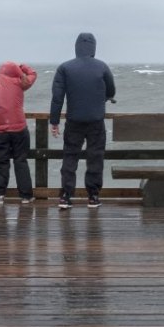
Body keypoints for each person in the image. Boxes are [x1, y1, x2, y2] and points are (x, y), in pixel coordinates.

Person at [49, 32, 116, 209]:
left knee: (70, 158)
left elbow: (57, 97)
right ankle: (93, 196)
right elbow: (111, 90)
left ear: (76, 47)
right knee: (95, 158)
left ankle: (66, 196)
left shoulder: (64, 68)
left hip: (74, 120)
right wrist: (104, 97)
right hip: (96, 121)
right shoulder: (102, 67)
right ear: (93, 47)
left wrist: (54, 121)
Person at [0, 61, 38, 204]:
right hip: (19, 130)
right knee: (20, 161)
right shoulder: (19, 83)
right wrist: (23, 67)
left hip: (1, 131)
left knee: (2, 163)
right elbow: (33, 74)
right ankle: (26, 196)